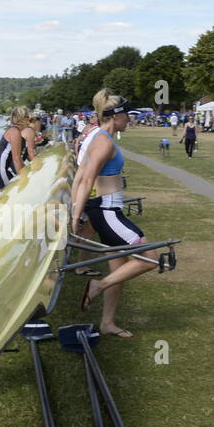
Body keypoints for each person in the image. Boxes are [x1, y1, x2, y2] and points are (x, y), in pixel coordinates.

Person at [73, 89, 157, 338]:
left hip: (106, 209)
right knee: (150, 257)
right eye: (127, 116)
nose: (130, 120)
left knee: (119, 269)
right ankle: (98, 286)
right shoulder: (104, 141)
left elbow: (79, 175)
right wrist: (75, 215)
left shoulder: (99, 137)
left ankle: (107, 323)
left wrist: (75, 210)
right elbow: (86, 179)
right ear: (116, 116)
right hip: (108, 211)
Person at [0, 106, 36, 193]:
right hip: (0, 168)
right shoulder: (15, 132)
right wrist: (23, 178)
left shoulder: (14, 130)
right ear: (24, 118)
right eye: (28, 117)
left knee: (12, 193)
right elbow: (16, 158)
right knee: (12, 193)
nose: (29, 119)